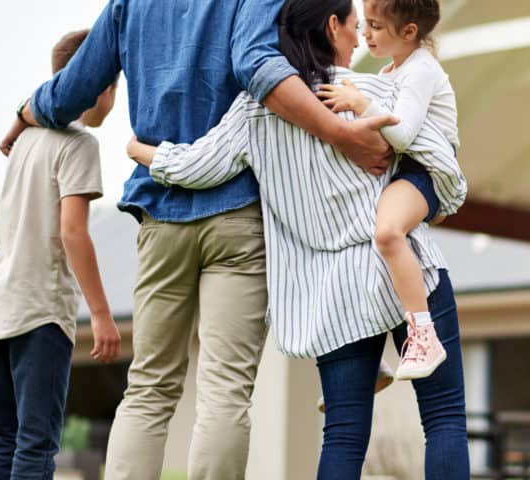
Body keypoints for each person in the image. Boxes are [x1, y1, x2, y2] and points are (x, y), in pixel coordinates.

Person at [0, 1, 399, 479]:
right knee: (225, 388)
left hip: (162, 214)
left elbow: (74, 88)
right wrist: (340, 132)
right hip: (238, 215)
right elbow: (259, 66)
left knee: (148, 387)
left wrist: (27, 111)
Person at [126, 0, 470, 477]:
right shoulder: (366, 89)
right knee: (444, 416)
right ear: (332, 26)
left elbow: (194, 169)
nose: (360, 38)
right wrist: (444, 196)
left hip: (331, 297)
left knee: (344, 434)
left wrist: (136, 149)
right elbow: (437, 150)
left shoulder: (252, 110)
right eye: (355, 26)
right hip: (402, 268)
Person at [0, 29, 121, 480]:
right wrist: (100, 313)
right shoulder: (80, 145)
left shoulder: (25, 141)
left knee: (4, 439)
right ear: (96, 83)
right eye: (114, 84)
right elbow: (73, 232)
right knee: (37, 445)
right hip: (40, 311)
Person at [316, 0, 464, 381]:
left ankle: (423, 335)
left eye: (376, 27)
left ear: (409, 32)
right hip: (401, 171)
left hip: (425, 170)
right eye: (365, 25)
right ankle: (378, 356)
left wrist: (359, 101)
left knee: (387, 232)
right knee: (365, 247)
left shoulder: (421, 71)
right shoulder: (391, 70)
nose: (365, 35)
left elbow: (401, 135)